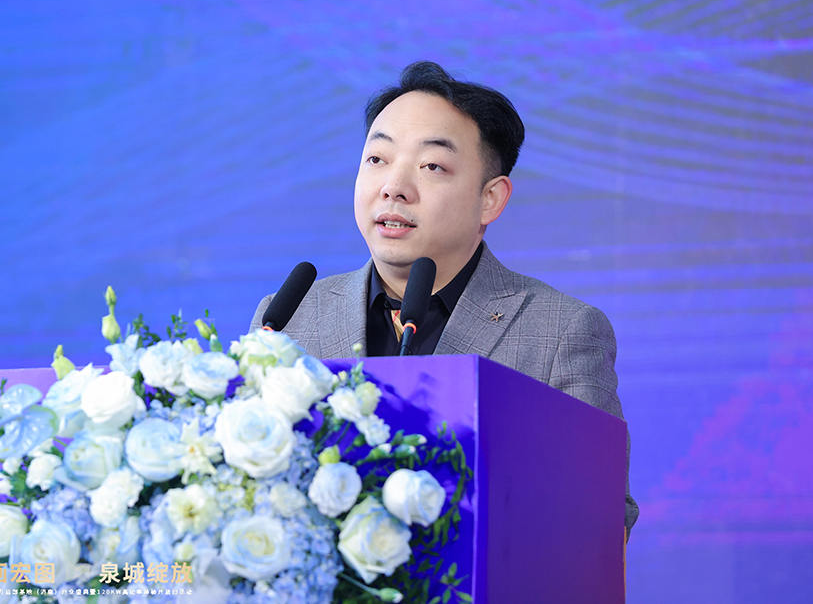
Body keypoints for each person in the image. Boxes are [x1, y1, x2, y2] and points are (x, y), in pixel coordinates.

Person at [251, 61, 638, 536]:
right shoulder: (287, 319)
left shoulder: (560, 332)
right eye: (377, 159)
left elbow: (598, 522)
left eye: (431, 166)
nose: (393, 187)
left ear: (490, 199)